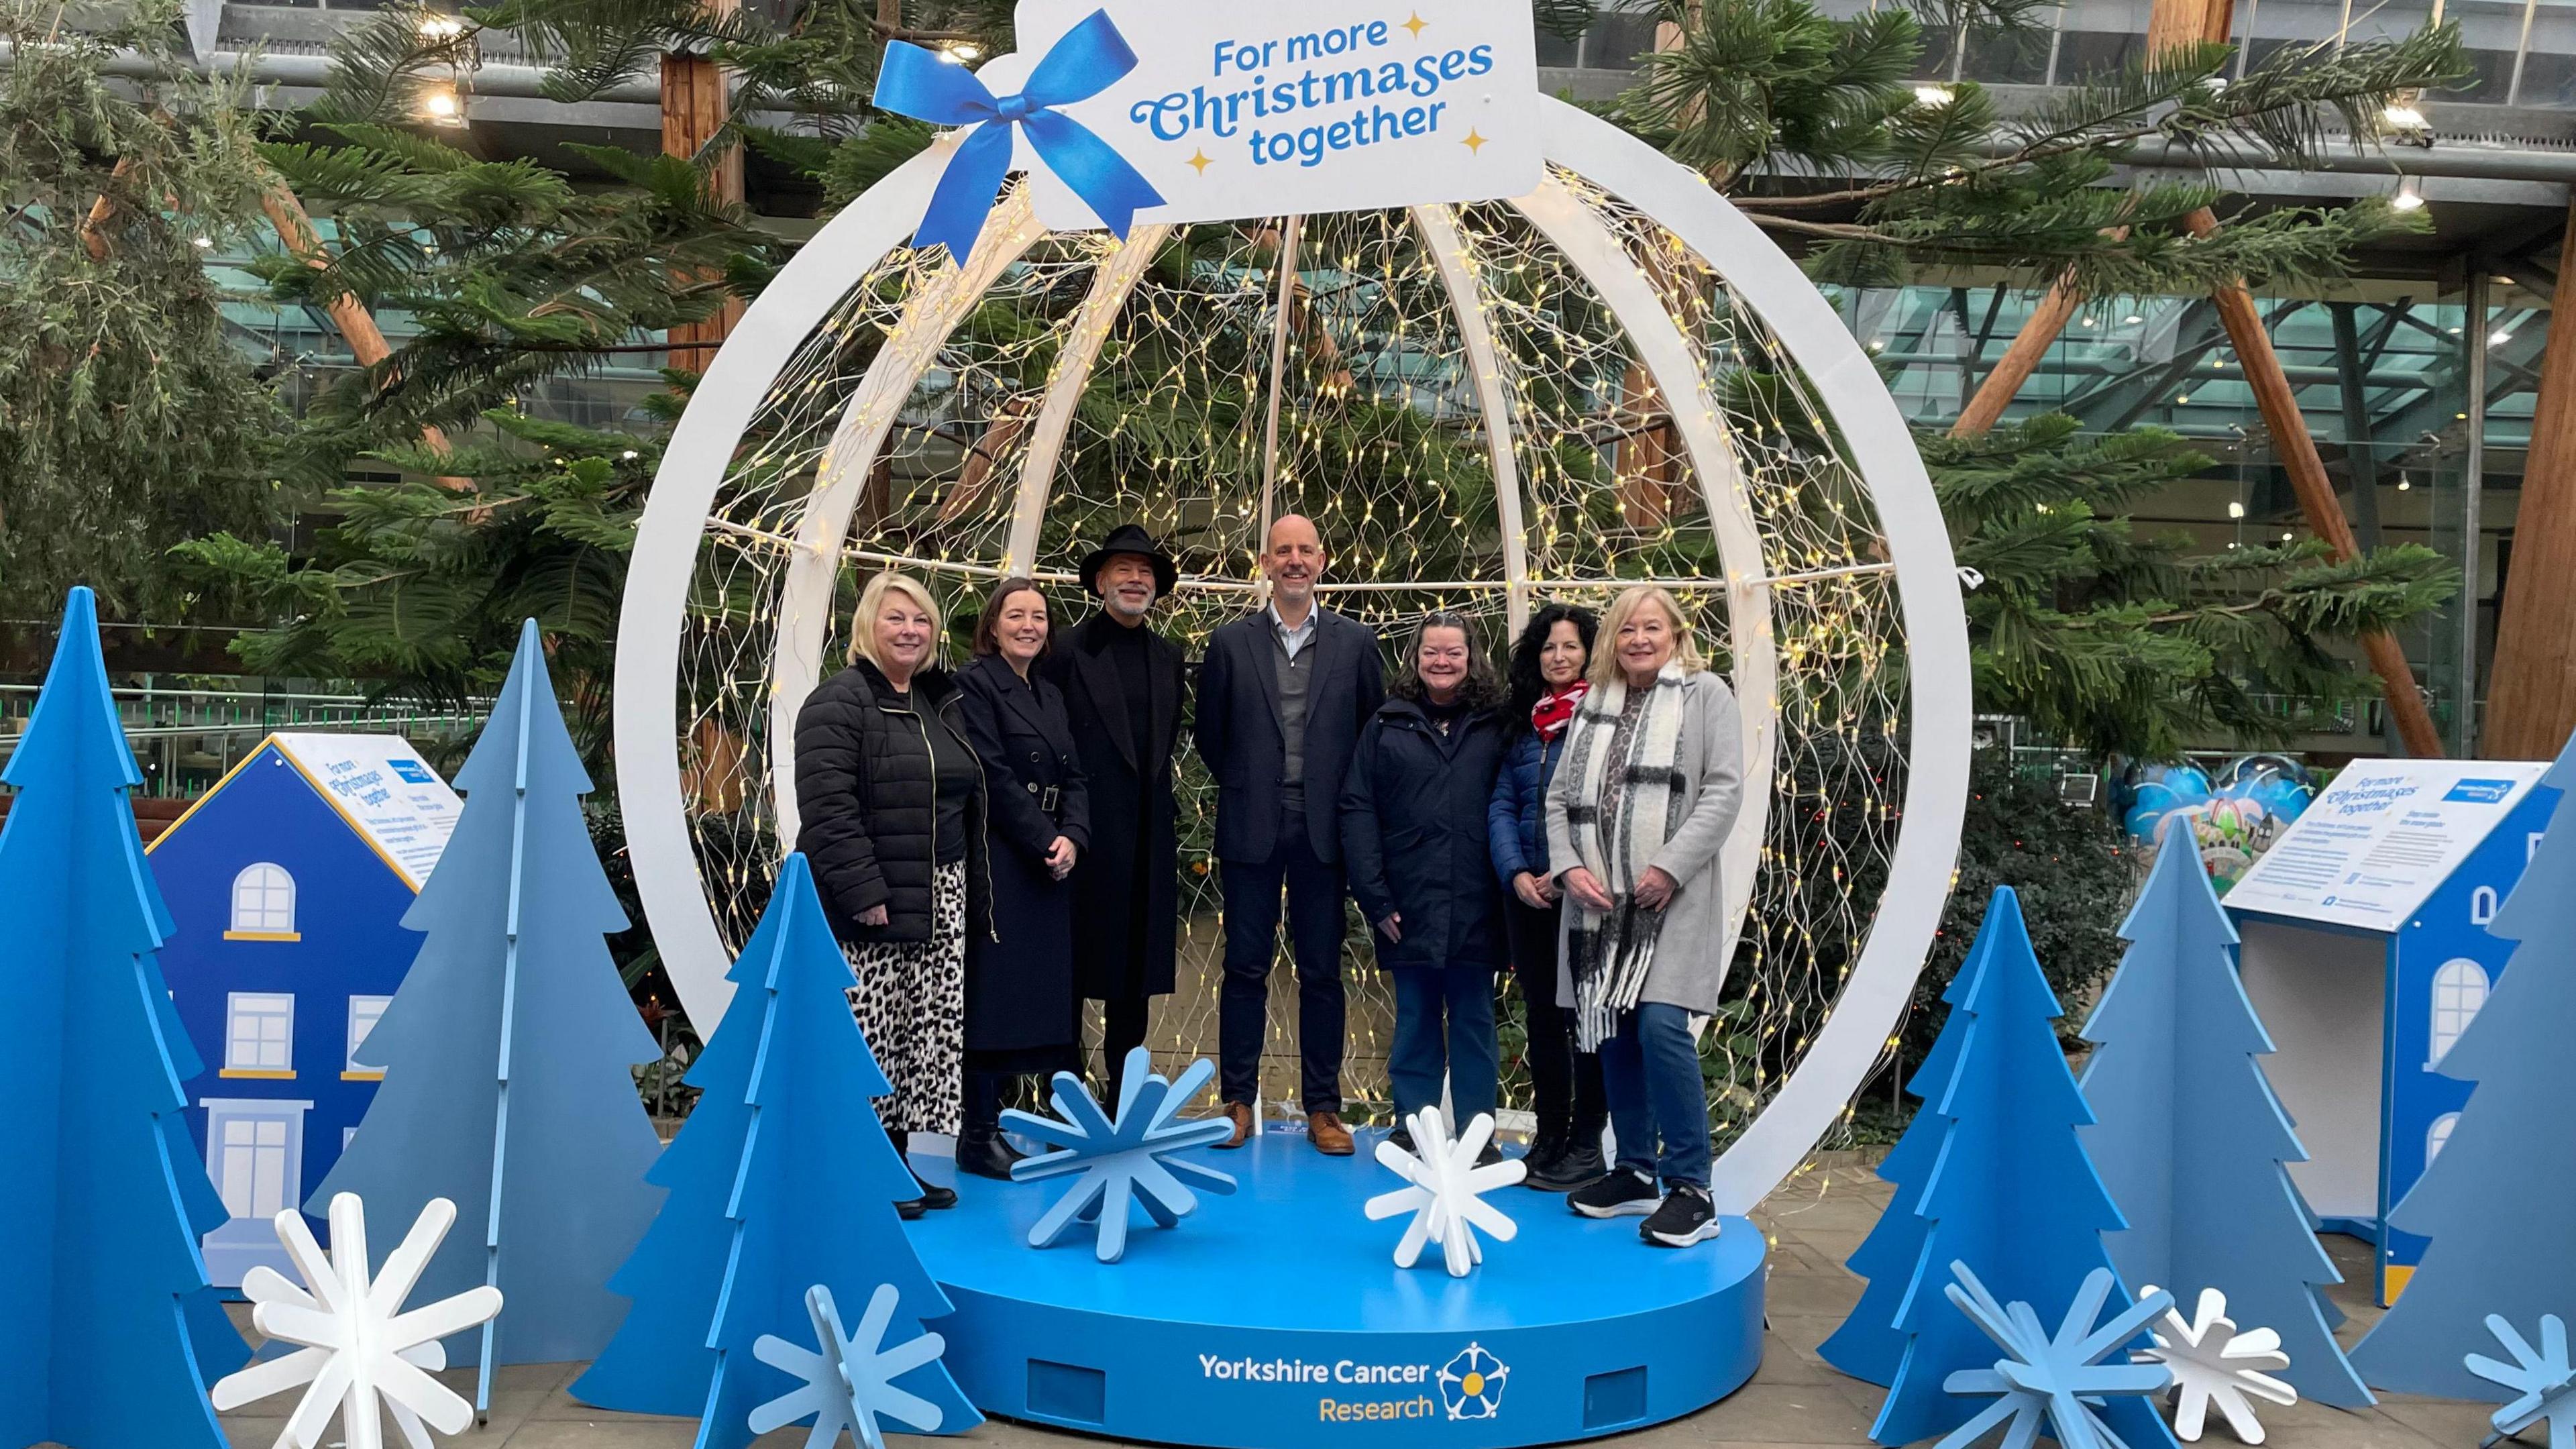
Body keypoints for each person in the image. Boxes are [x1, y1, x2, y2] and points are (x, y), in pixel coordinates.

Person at [1545, 585, 1743, 1248]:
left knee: (1661, 1026)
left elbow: (1724, 789)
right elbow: (1558, 799)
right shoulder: (1594, 704)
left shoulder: (1705, 694)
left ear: (1675, 634)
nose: (1638, 640)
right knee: (1615, 1033)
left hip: (1668, 900)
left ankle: (1693, 1187)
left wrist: (1669, 867)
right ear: (1612, 641)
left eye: (1651, 628)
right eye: (1627, 630)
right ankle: (1634, 1171)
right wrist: (1570, 868)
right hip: (1599, 907)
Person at [793, 571, 986, 1218]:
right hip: (873, 901)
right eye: (895, 618)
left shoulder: (935, 700)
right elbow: (828, 811)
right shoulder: (838, 703)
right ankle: (863, 1170)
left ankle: (898, 1164)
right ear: (866, 628)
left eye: (921, 620)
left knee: (917, 1039)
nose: (910, 630)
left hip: (940, 892)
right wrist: (863, 891)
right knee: (871, 1038)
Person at [1196, 515, 1384, 1155]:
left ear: (1323, 560)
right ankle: (1237, 1100)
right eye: (1284, 551)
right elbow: (1210, 736)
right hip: (1253, 823)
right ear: (1266, 563)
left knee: (1322, 971)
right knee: (1244, 967)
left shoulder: (1357, 643)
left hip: (1326, 830)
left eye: (1305, 550)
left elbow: (1370, 734)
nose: (1295, 560)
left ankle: (1324, 1109)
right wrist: (1253, 783)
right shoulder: (1230, 643)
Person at [1342, 613, 1509, 1156]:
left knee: (1474, 1022)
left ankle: (1477, 1135)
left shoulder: (1497, 723)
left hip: (1478, 900)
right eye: (1431, 653)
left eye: (1453, 653)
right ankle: (1414, 1127)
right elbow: (1357, 807)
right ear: (1415, 658)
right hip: (1406, 902)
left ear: (1471, 657)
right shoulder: (1387, 725)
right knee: (1414, 1020)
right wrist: (1375, 895)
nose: (1442, 662)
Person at [1042, 525, 1189, 1107]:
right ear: (1101, 582)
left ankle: (1121, 1096)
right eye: (1124, 569)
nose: (1135, 579)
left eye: (1145, 571)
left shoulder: (1169, 655)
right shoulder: (1064, 651)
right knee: (1074, 968)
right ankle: (1066, 1094)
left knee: (1135, 976)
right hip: (1082, 833)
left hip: (1147, 837)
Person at [953, 578, 1090, 1180]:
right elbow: (993, 774)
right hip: (1005, 857)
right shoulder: (973, 685)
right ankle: (978, 1133)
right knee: (996, 995)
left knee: (1039, 997)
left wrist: (1075, 838)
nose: (1029, 626)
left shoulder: (1052, 695)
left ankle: (1034, 1122)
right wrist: (1043, 839)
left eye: (1038, 616)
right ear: (993, 625)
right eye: (1016, 615)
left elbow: (1078, 776)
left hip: (1053, 859)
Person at [1489, 603, 1609, 1191]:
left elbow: (1603, 810)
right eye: (1548, 648)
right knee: (1541, 1016)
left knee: (1584, 1016)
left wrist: (1563, 872)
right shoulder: (1523, 725)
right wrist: (1515, 871)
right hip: (1526, 895)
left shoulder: (1605, 717)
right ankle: (1550, 1134)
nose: (1558, 657)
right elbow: (1502, 804)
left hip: (1583, 892)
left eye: (1570, 646)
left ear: (1590, 651)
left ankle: (1588, 1144)